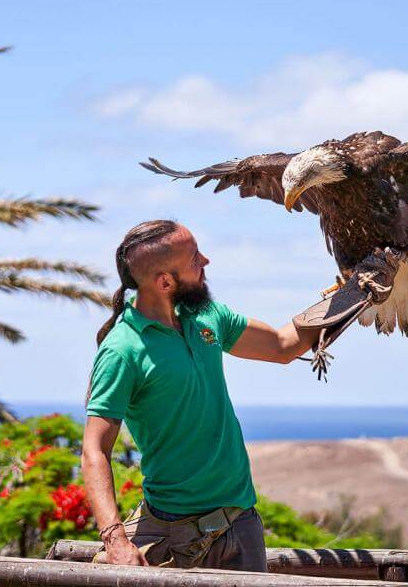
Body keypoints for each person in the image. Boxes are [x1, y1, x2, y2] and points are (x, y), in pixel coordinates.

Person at [81, 219, 323, 572]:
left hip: (241, 525)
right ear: (164, 282)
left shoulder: (207, 316)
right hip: (172, 535)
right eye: (195, 258)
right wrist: (115, 540)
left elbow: (282, 346)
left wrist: (350, 293)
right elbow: (94, 450)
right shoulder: (123, 350)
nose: (206, 261)